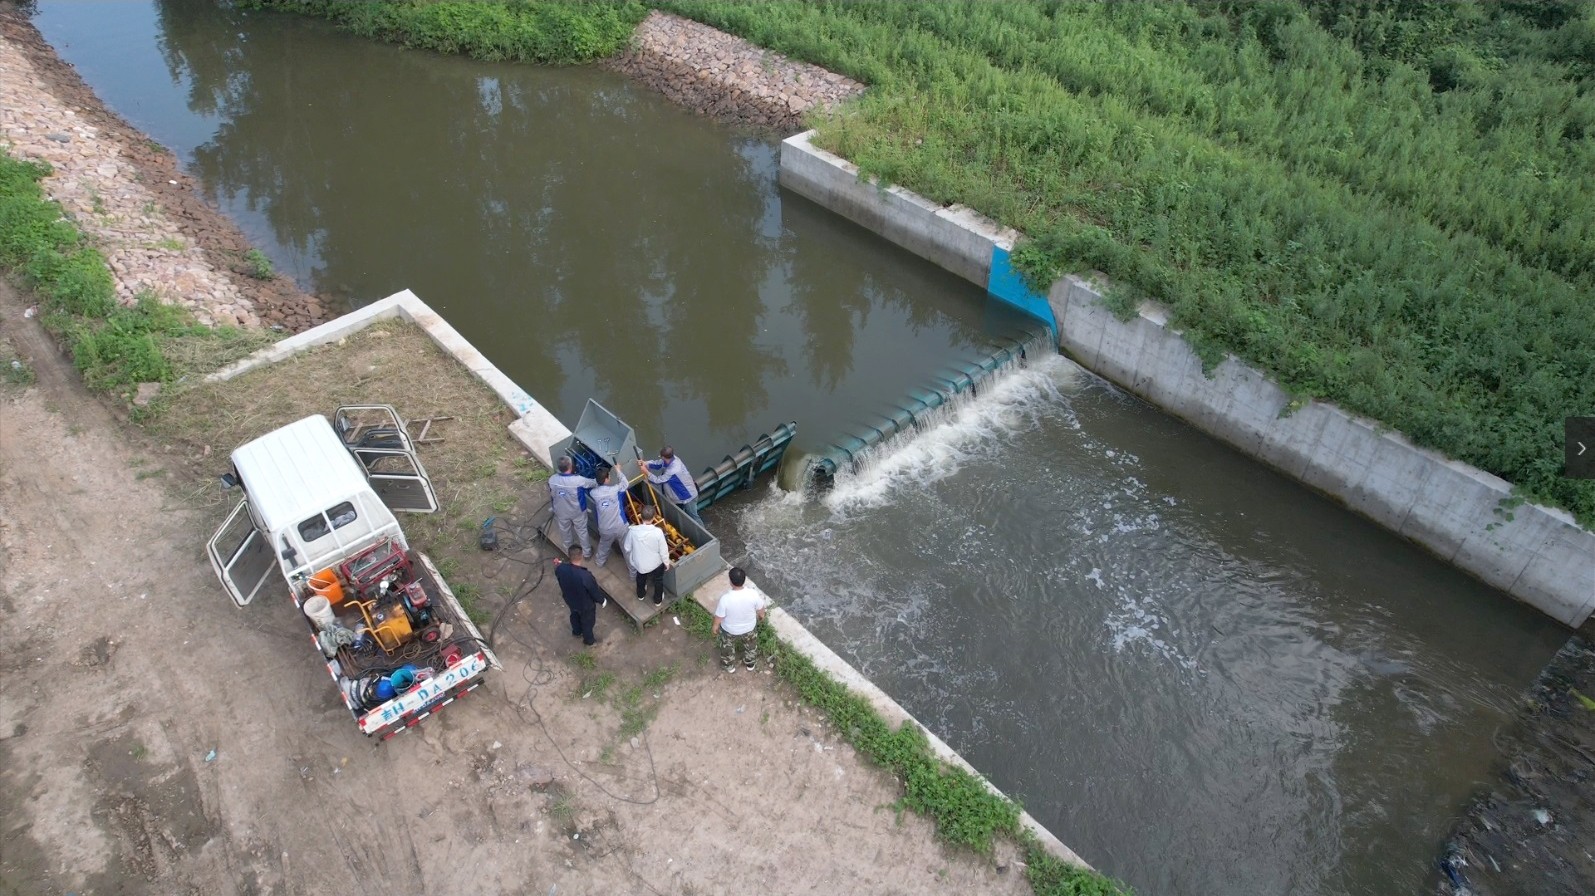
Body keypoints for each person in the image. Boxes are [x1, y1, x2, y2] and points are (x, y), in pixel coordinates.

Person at [711, 566, 767, 673]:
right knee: (751, 646)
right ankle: (750, 664)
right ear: (744, 580)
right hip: (749, 628)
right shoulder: (752, 594)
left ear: (731, 582)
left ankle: (729, 666)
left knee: (727, 648)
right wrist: (761, 616)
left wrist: (715, 626)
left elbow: (719, 617)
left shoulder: (725, 599)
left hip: (729, 630)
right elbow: (761, 609)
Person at [547, 456, 598, 558]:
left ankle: (568, 549)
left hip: (560, 511)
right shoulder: (578, 480)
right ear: (571, 466)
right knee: (582, 531)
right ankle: (587, 553)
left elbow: (552, 494)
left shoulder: (552, 480)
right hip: (577, 512)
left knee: (564, 530)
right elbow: (594, 483)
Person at [553, 552, 606, 646]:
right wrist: (602, 600)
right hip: (585, 605)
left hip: (570, 600)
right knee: (587, 622)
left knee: (574, 615)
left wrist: (560, 564)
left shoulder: (561, 568)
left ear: (569, 556)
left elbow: (558, 572)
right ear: (581, 556)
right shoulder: (585, 576)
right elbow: (593, 590)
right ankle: (589, 641)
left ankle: (577, 632)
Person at [623, 505, 671, 606]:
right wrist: (666, 562)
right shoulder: (658, 532)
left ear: (640, 516)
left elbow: (627, 548)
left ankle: (640, 594)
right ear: (653, 517)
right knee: (658, 580)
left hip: (639, 563)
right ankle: (657, 600)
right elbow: (663, 550)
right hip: (656, 563)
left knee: (640, 577)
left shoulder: (632, 531)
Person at [642, 446, 703, 525]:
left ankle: (703, 531)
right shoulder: (673, 459)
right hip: (679, 497)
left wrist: (646, 472)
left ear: (664, 457)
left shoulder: (672, 470)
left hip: (688, 497)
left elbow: (658, 481)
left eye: (661, 457)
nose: (661, 458)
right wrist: (646, 463)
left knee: (694, 517)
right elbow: (659, 463)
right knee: (681, 514)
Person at [588, 467, 632, 568]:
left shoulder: (593, 493)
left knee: (604, 546)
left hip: (605, 528)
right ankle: (633, 573)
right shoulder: (615, 490)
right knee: (627, 549)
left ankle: (599, 563)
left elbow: (593, 488)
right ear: (607, 479)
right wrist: (618, 470)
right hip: (620, 526)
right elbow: (625, 483)